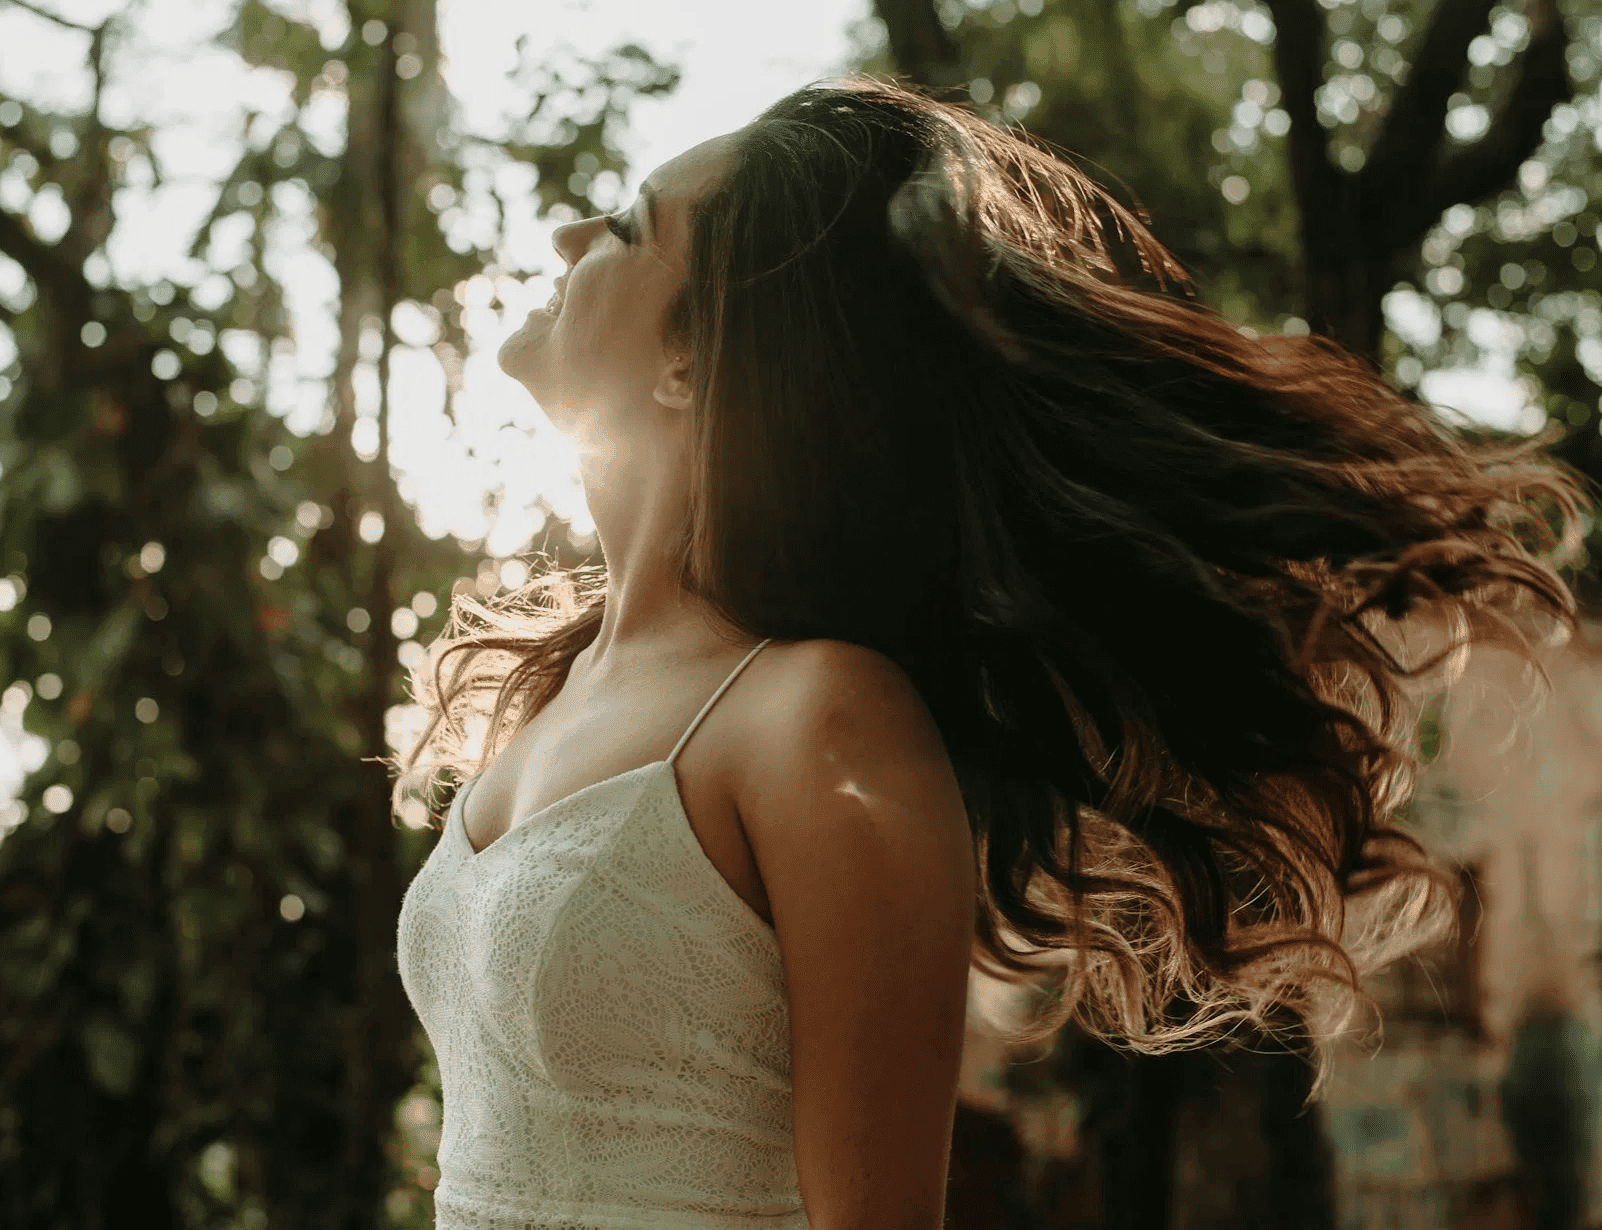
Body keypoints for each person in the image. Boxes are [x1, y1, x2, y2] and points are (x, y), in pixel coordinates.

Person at [394, 77, 1588, 1229]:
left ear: (694, 360)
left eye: (624, 226)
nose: (563, 235)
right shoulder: (546, 689)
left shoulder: (816, 717)